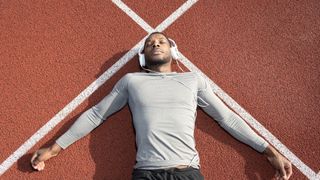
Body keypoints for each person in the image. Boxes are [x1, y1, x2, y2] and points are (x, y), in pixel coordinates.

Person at [31, 32, 292, 180]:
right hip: (146, 174)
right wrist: (55, 148)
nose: (155, 43)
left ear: (172, 53)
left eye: (161, 42)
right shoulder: (131, 81)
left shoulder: (193, 79)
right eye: (150, 43)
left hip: (187, 173)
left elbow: (227, 118)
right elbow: (96, 114)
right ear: (144, 57)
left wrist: (267, 150)